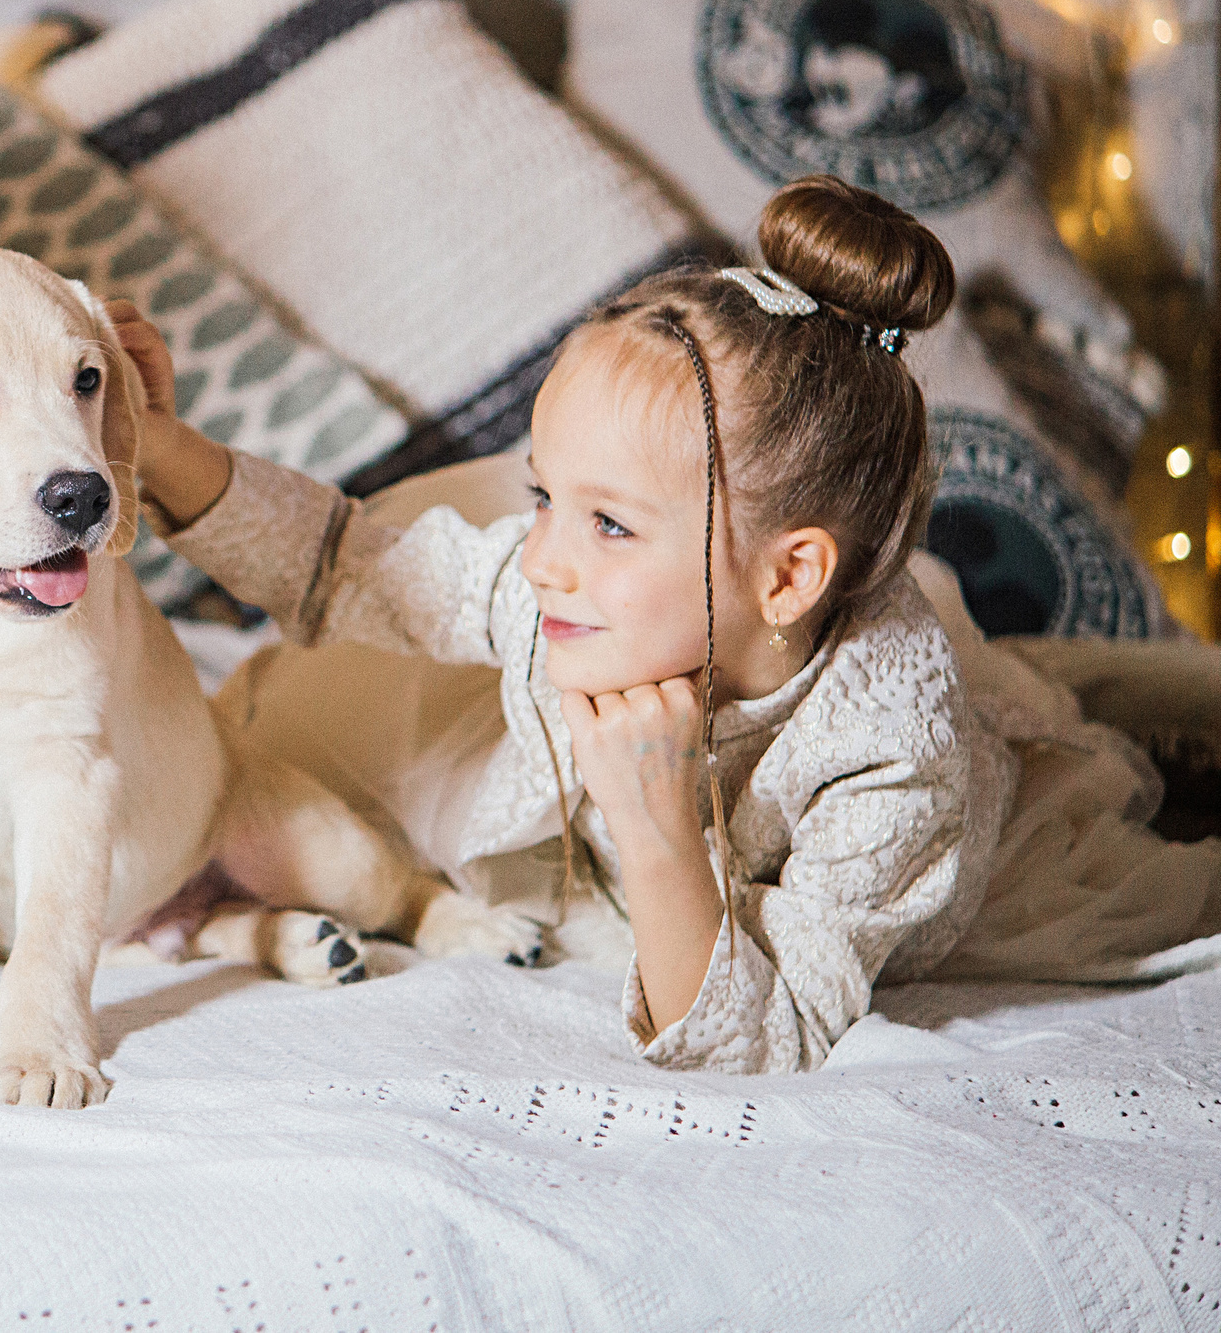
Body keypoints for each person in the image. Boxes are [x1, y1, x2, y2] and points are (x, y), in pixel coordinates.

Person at [113, 174, 1221, 1074]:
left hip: (930, 835)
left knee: (1085, 746)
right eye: (545, 497)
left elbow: (765, 1035)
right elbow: (348, 563)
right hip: (699, 785)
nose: (542, 558)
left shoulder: (886, 749)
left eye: (607, 524)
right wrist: (161, 445)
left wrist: (654, 831)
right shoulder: (553, 584)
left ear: (787, 580)